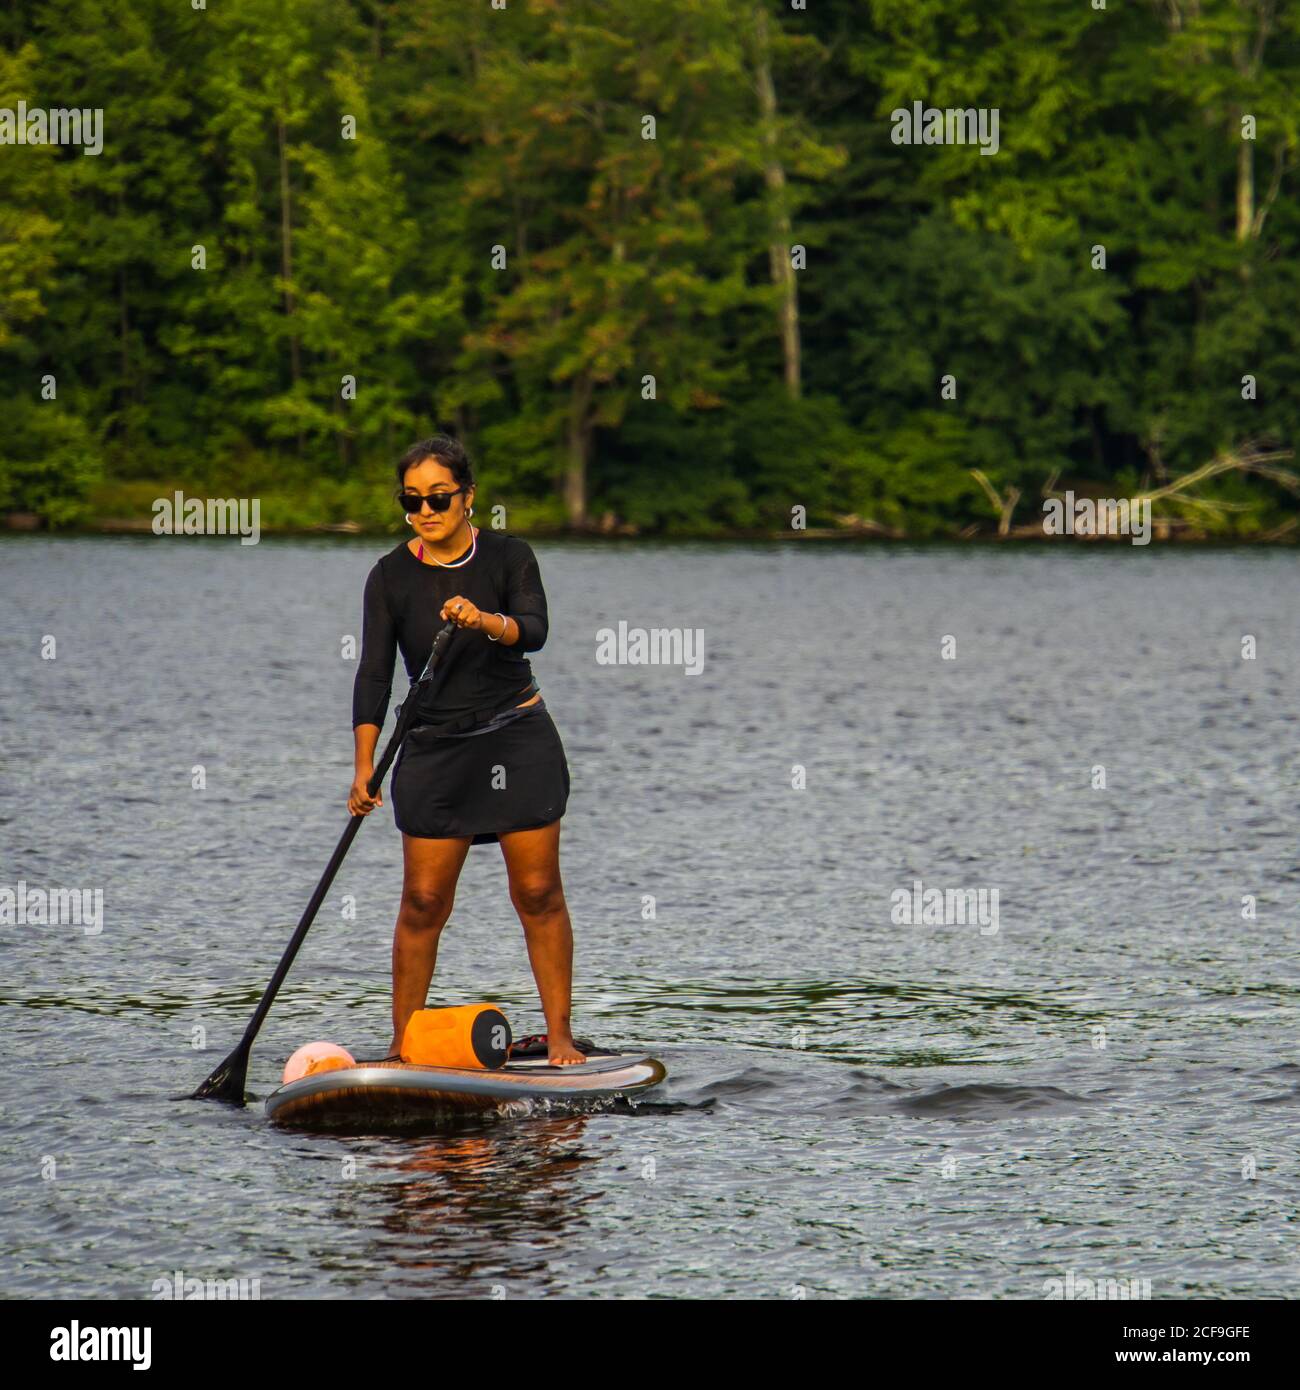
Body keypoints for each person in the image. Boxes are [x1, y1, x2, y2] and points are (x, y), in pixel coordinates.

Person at [348, 435, 583, 1065]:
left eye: (439, 496)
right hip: (432, 749)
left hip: (516, 734)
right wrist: (364, 765)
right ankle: (404, 1046)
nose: (426, 509)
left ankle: (559, 1037)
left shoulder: (510, 557)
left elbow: (533, 631)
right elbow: (374, 676)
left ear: (468, 497)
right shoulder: (390, 576)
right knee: (423, 902)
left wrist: (484, 620)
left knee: (537, 893)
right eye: (412, 500)